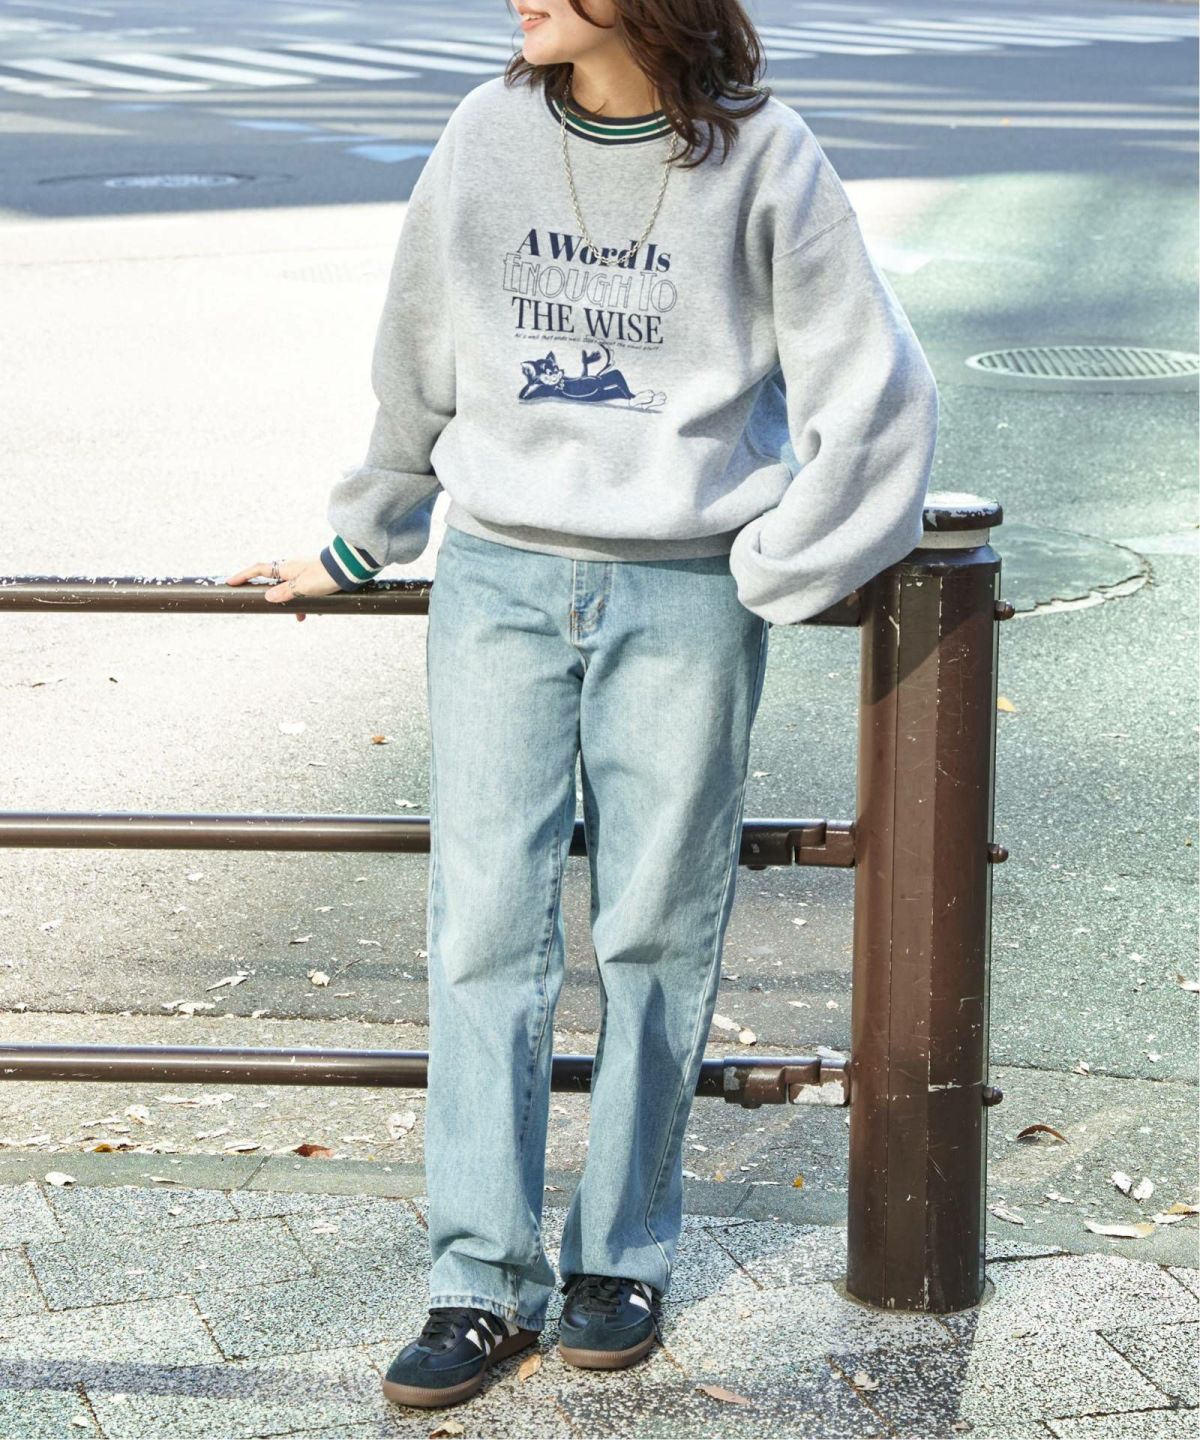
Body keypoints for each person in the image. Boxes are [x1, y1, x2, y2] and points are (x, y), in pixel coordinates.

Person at [226, 0, 939, 1412]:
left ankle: (621, 1258)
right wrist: (364, 539)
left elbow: (875, 388)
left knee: (658, 928)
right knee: (484, 929)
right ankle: (479, 1280)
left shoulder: (765, 158)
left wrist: (776, 565)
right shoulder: (487, 134)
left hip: (684, 593)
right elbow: (417, 351)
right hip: (499, 580)